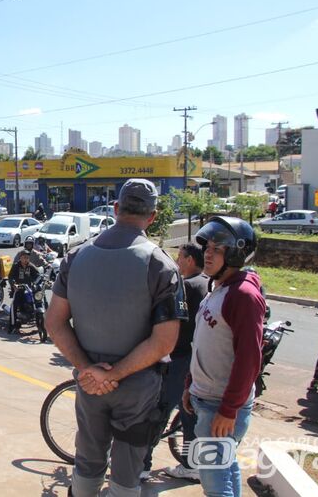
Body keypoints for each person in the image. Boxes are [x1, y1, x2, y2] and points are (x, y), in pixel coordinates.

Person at [45, 178, 186, 497]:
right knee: (126, 473)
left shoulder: (76, 256)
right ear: (152, 216)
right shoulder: (160, 264)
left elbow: (54, 322)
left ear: (116, 209)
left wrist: (88, 370)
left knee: (87, 462)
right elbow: (165, 342)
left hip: (89, 385)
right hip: (137, 388)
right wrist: (117, 374)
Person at [182, 216, 265, 497]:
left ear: (236, 254)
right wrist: (190, 384)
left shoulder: (243, 295)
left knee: (215, 485)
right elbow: (204, 342)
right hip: (207, 398)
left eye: (217, 249)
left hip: (220, 406)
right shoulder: (218, 287)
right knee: (226, 469)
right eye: (208, 246)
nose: (207, 252)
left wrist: (228, 410)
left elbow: (250, 359)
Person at [146, 243, 209, 482]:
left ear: (191, 260)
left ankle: (143, 464)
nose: (176, 260)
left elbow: (172, 322)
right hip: (194, 359)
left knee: (159, 409)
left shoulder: (188, 286)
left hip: (178, 357)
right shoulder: (205, 283)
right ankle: (191, 464)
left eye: (180, 257)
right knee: (188, 412)